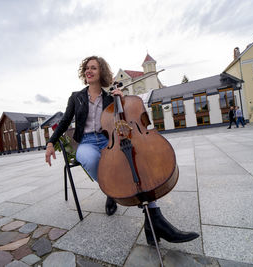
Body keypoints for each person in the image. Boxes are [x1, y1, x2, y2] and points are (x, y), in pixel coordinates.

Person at [45, 55, 199, 245]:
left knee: (136, 159)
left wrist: (121, 100)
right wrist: (51, 142)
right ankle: (113, 191)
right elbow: (65, 121)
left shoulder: (110, 96)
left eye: (93, 67)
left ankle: (153, 217)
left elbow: (122, 120)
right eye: (87, 68)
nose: (89, 71)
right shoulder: (76, 97)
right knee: (90, 159)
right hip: (86, 142)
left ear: (101, 72)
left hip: (107, 138)